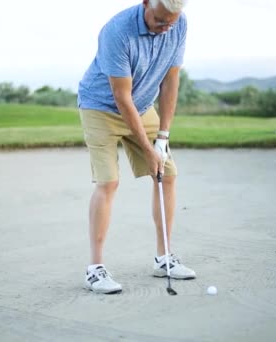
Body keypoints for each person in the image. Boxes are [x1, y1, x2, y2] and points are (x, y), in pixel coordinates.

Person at [77, 0, 196, 294]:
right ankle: (95, 270)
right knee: (108, 182)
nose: (166, 26)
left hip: (143, 106)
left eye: (171, 20)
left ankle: (164, 258)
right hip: (101, 107)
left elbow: (171, 81)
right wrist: (146, 148)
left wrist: (163, 137)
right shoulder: (116, 31)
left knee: (166, 174)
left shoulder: (178, 23)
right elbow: (121, 96)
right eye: (159, 19)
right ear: (146, 3)